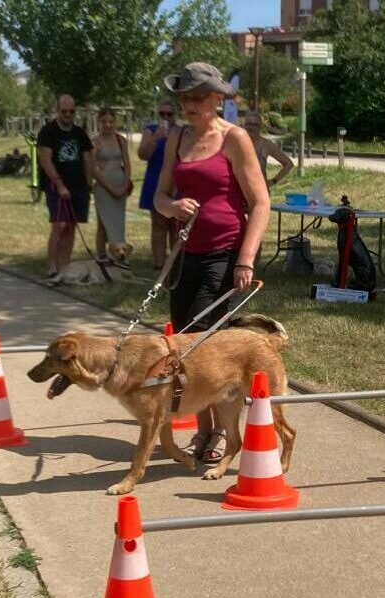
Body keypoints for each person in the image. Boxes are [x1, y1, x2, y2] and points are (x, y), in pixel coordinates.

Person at [154, 62, 271, 464]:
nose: (189, 104)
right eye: (184, 97)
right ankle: (203, 430)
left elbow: (260, 203)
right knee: (183, 345)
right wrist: (172, 206)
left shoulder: (234, 138)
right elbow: (160, 196)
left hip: (225, 254)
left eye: (198, 96)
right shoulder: (176, 137)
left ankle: (221, 431)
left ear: (218, 98)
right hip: (187, 254)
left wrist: (246, 259)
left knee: (207, 345)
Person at [38, 95, 95, 282]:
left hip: (78, 186)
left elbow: (88, 159)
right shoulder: (48, 132)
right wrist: (60, 185)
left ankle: (64, 266)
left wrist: (88, 184)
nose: (68, 115)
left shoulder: (80, 133)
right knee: (59, 225)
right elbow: (46, 161)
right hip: (56, 186)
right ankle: (52, 267)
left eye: (71, 111)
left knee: (71, 226)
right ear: (57, 111)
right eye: (64, 111)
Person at [138, 101, 180, 272]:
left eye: (169, 114)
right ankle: (159, 264)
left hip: (176, 182)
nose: (165, 117)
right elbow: (142, 155)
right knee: (158, 224)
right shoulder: (151, 131)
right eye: (162, 114)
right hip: (155, 180)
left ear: (175, 115)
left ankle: (175, 264)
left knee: (176, 226)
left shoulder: (181, 132)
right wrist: (156, 138)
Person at [91, 107, 133, 263]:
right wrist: (110, 188)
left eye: (111, 122)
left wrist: (125, 184)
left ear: (115, 122)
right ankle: (101, 257)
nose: (108, 125)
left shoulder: (121, 140)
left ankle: (119, 257)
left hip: (120, 182)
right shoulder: (95, 142)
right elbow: (93, 168)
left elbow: (127, 164)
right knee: (103, 224)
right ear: (99, 122)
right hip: (103, 185)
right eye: (104, 122)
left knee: (118, 223)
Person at [243, 111, 294, 188]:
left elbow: (288, 164)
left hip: (260, 190)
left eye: (255, 125)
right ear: (244, 125)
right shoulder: (236, 143)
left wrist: (273, 181)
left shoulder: (266, 145)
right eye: (249, 124)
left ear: (260, 127)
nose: (251, 127)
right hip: (239, 191)